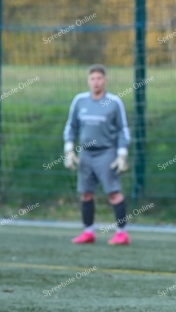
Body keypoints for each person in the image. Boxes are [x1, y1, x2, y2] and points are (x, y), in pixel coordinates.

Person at [63, 64, 131, 245]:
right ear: (88, 81)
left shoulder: (114, 102)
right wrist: (69, 150)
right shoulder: (80, 101)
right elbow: (71, 127)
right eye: (92, 79)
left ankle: (122, 233)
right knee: (86, 194)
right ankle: (88, 232)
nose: (96, 82)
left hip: (106, 153)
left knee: (114, 193)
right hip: (85, 154)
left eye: (99, 78)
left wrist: (122, 154)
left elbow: (122, 130)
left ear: (105, 80)